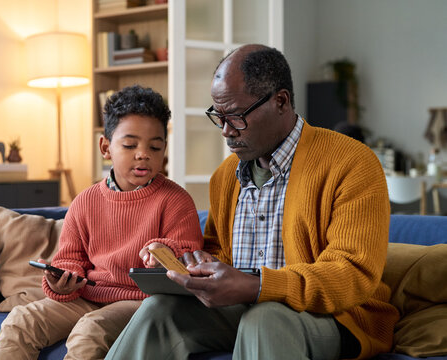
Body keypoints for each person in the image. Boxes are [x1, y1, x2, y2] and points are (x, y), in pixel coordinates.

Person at [106, 45, 399, 360]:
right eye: (219, 117)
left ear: (281, 101)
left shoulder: (353, 163)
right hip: (242, 308)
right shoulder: (225, 176)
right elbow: (220, 251)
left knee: (266, 318)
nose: (227, 131)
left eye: (236, 116)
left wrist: (257, 286)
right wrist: (199, 266)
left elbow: (351, 274)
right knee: (159, 309)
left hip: (335, 315)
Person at [0, 85, 204, 360]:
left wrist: (162, 251)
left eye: (155, 146)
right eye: (129, 145)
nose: (143, 154)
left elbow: (188, 256)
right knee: (20, 321)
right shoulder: (85, 201)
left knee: (89, 331)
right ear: (106, 147)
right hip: (87, 296)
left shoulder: (176, 200)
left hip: (141, 303)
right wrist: (61, 281)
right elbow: (70, 258)